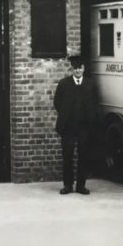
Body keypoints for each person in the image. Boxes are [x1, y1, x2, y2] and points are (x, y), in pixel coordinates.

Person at [53, 55, 99, 195]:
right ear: (72, 69)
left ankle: (81, 186)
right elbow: (57, 103)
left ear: (84, 69)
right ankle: (67, 185)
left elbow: (95, 103)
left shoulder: (90, 85)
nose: (78, 70)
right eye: (75, 68)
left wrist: (89, 120)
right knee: (67, 156)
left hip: (84, 127)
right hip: (68, 127)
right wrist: (66, 116)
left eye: (80, 68)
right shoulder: (64, 84)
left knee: (83, 156)